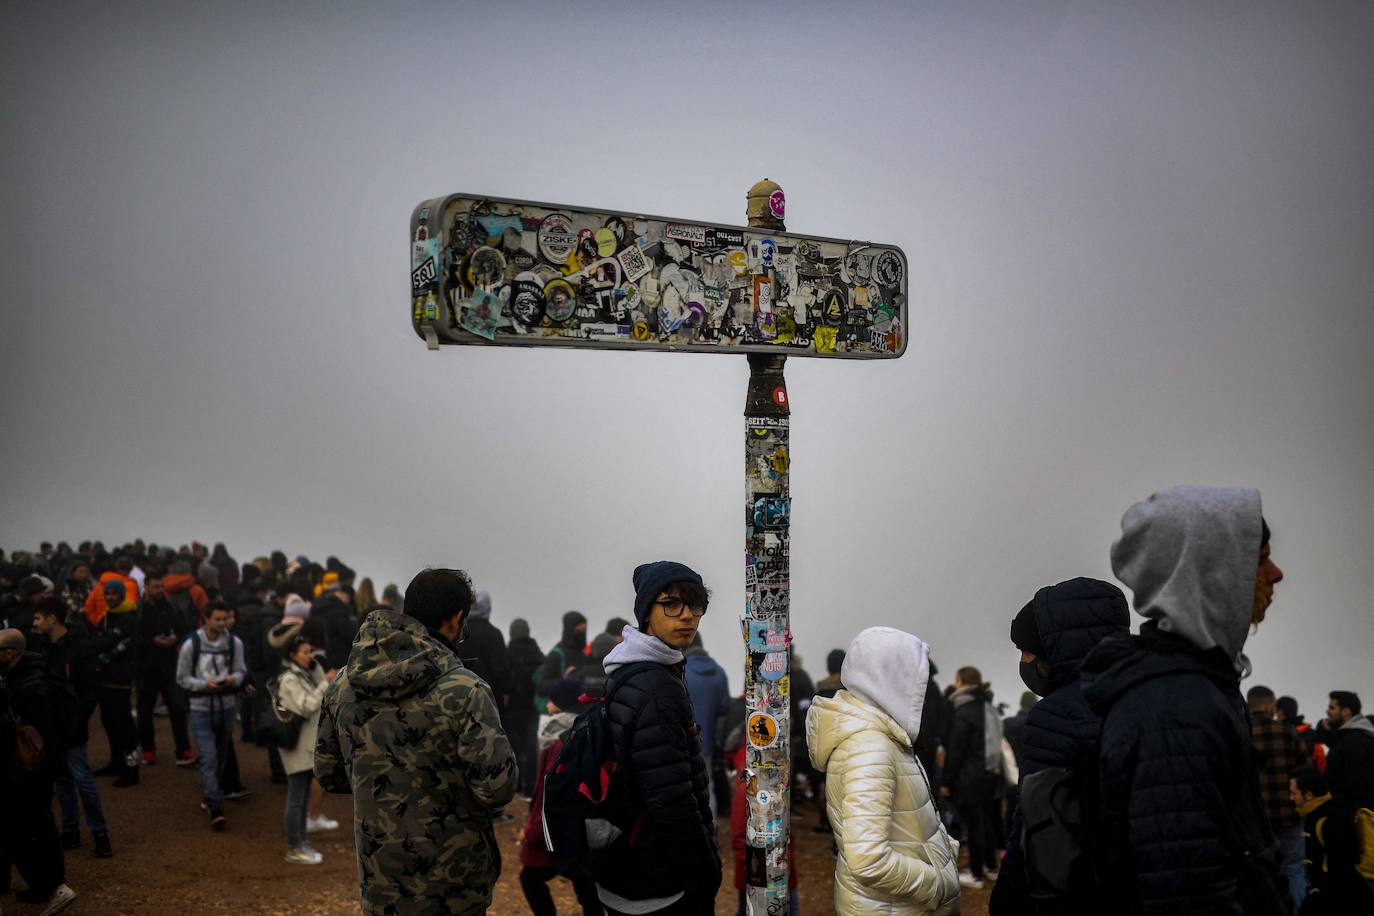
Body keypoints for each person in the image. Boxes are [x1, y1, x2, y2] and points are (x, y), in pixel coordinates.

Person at [1080, 485, 1290, 913]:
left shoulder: (1190, 687)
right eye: (1261, 557)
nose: (1276, 574)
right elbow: (1189, 897)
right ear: (1214, 571)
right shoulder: (1177, 710)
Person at [314, 567, 517, 914]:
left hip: (381, 880)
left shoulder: (344, 684)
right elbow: (496, 789)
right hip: (456, 884)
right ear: (456, 619)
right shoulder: (465, 691)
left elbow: (329, 773)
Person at [990, 577, 1129, 913]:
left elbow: (1036, 831)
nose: (1023, 660)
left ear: (1054, 649)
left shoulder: (1056, 716)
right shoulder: (1142, 696)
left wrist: (1004, 903)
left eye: (1026, 649)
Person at [806, 626, 961, 914]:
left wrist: (944, 853)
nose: (922, 692)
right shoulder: (870, 749)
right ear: (886, 678)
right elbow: (868, 859)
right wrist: (938, 883)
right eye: (913, 679)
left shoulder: (885, 736)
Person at [595, 561, 721, 914]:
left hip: (630, 867)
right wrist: (705, 870)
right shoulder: (655, 687)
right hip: (657, 884)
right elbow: (671, 801)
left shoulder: (631, 669)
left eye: (695, 605)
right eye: (671, 604)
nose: (687, 616)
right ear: (646, 611)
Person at [0, 628, 79, 913]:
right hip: (36, 766)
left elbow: (33, 731)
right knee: (34, 825)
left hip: (31, 768)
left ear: (10, 653)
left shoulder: (32, 685)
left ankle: (53, 887)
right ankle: (45, 887)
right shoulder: (32, 672)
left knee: (30, 827)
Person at [31, 599, 113, 858]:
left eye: (39, 618)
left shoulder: (78, 648)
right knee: (63, 779)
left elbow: (91, 687)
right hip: (50, 725)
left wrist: (78, 717)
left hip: (72, 725)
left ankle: (100, 833)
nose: (35, 623)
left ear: (53, 618)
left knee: (81, 778)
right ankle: (71, 830)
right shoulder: (42, 647)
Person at [518, 677, 603, 916]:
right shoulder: (586, 728)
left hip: (556, 828)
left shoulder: (557, 740)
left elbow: (547, 791)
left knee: (530, 878)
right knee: (585, 881)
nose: (547, 705)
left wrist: (533, 830)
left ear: (561, 704)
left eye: (551, 700)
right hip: (582, 826)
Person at [176, 600, 247, 829]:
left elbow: (240, 671)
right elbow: (182, 677)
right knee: (209, 757)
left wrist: (232, 681)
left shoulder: (235, 643)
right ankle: (216, 807)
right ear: (206, 619)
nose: (222, 623)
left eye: (225, 619)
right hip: (201, 709)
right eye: (217, 619)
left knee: (221, 755)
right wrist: (204, 685)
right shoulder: (191, 644)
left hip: (226, 707)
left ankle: (210, 795)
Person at [940, 664, 1003, 889]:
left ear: (961, 682)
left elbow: (956, 751)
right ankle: (991, 867)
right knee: (986, 822)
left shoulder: (964, 710)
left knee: (974, 825)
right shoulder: (988, 707)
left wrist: (947, 781)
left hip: (970, 776)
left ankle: (976, 874)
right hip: (990, 773)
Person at [1247, 684, 1311, 908]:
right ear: (1267, 704)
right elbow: (1305, 771)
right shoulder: (1287, 732)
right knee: (1293, 868)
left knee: (1257, 872)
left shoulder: (1240, 733)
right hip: (1288, 814)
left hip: (1254, 819)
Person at [273, 633, 333, 865]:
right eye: (305, 652)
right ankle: (293, 847)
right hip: (296, 745)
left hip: (305, 745)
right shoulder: (289, 679)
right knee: (296, 796)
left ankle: (302, 843)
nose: (310, 656)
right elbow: (307, 706)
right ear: (292, 655)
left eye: (310, 652)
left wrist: (316, 667)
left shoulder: (302, 674)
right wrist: (325, 684)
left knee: (303, 794)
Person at [1289, 767, 1374, 914]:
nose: (1291, 798)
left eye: (1293, 793)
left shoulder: (1327, 821)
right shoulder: (1324, 812)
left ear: (1309, 795)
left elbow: (1340, 873)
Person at [136, 573, 193, 766]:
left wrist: (175, 638)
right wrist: (152, 641)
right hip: (145, 667)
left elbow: (184, 629)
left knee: (178, 708)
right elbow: (132, 639)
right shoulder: (138, 610)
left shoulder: (171, 607)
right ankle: (148, 750)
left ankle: (184, 750)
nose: (160, 591)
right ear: (146, 586)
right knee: (145, 711)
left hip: (169, 665)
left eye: (162, 587)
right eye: (156, 587)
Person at [89, 579, 141, 786]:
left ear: (121, 595)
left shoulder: (129, 618)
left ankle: (132, 769)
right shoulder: (107, 616)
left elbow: (108, 642)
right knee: (108, 721)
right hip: (106, 677)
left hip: (121, 677)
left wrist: (94, 649)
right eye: (107, 594)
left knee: (125, 724)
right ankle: (116, 761)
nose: (110, 597)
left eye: (114, 594)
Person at [683, 635, 730, 818]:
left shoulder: (681, 670)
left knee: (683, 787)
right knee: (707, 786)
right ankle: (711, 830)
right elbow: (725, 707)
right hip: (707, 741)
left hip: (681, 741)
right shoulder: (719, 672)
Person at [506, 617, 544, 800]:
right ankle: (531, 786)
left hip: (513, 706)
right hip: (532, 707)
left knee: (514, 745)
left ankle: (517, 784)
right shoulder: (536, 652)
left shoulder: (509, 651)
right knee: (531, 745)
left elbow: (503, 674)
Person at [1315, 690, 1374, 808]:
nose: (1327, 711)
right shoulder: (1351, 736)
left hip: (1352, 814)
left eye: (1332, 708)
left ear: (1346, 712)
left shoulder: (1354, 740)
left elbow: (1356, 784)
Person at [535, 610, 593, 711]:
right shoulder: (557, 655)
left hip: (581, 710)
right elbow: (541, 686)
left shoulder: (584, 653)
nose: (582, 632)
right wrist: (564, 681)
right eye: (578, 629)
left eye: (584, 629)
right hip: (561, 713)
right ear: (569, 629)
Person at [310, 572, 358, 671]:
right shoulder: (338, 611)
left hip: (320, 654)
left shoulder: (319, 605)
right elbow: (349, 634)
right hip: (337, 658)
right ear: (346, 596)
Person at [1276, 695, 1326, 773]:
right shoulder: (1312, 734)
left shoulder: (1280, 735)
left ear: (1280, 713)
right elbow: (1321, 764)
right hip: (1310, 781)